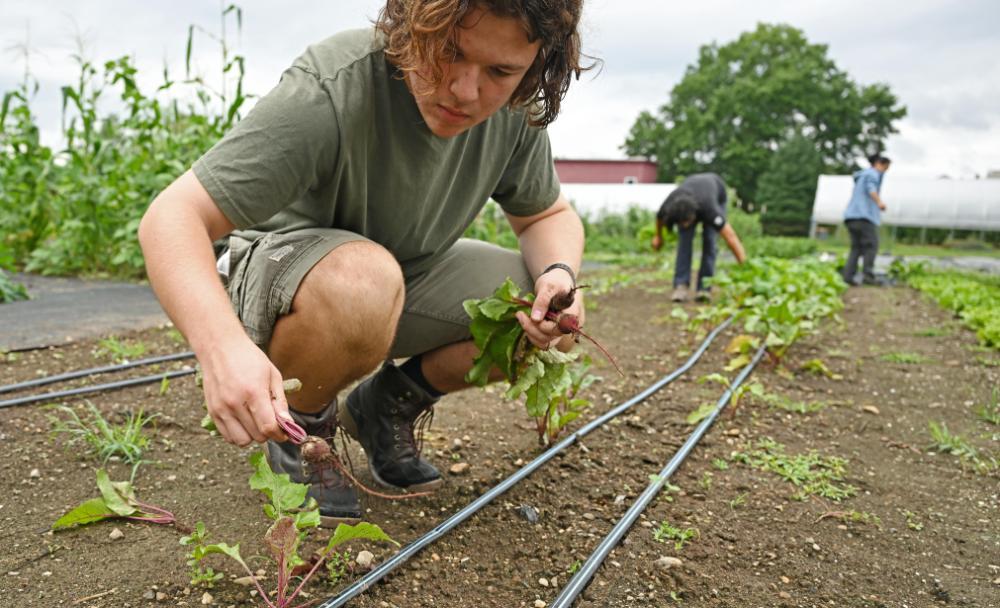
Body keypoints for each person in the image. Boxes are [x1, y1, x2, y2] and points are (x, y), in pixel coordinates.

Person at [138, 0, 590, 527]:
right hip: (283, 278)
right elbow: (172, 217)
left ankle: (384, 407)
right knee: (363, 280)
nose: (465, 91)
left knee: (550, 312)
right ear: (414, 25)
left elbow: (546, 214)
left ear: (536, 65)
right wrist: (221, 350)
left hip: (399, 278)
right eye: (449, 52)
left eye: (500, 71)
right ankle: (302, 428)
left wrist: (560, 275)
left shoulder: (513, 112)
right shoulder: (334, 85)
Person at [651, 172, 747, 302]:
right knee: (684, 243)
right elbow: (659, 219)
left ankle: (704, 288)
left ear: (694, 215)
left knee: (710, 241)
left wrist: (746, 267)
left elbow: (731, 237)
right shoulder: (670, 206)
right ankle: (681, 286)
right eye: (681, 223)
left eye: (687, 222)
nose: (684, 225)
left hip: (716, 193)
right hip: (688, 196)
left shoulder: (710, 210)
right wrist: (658, 237)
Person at [842, 154, 891, 286]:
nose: (884, 171)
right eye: (885, 168)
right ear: (878, 164)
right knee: (871, 246)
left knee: (856, 248)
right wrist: (879, 202)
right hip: (864, 217)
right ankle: (868, 277)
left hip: (851, 217)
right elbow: (871, 188)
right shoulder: (872, 174)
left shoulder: (861, 176)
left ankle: (848, 276)